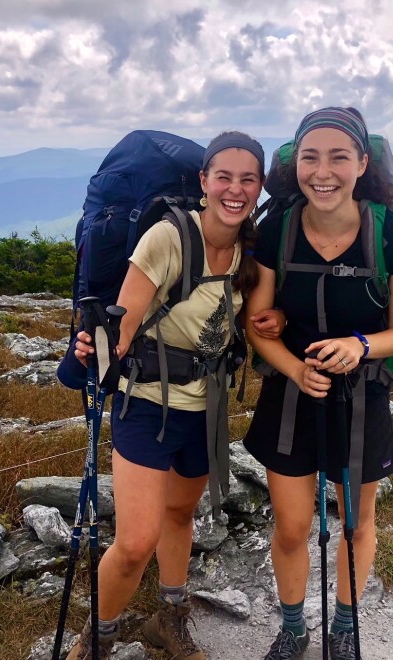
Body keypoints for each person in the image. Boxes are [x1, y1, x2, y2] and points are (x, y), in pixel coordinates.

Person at [61, 132, 270, 660]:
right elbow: (124, 327)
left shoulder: (253, 250)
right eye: (224, 176)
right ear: (204, 181)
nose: (235, 189)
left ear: (260, 186)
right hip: (147, 405)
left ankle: (168, 620)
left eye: (248, 179)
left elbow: (256, 322)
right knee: (134, 542)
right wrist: (99, 345)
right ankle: (98, 639)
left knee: (181, 516)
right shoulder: (167, 237)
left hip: (208, 408)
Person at [243, 107, 393, 660]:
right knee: (293, 526)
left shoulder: (391, 230)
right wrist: (293, 365)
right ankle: (294, 627)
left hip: (360, 396)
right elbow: (258, 323)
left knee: (355, 524)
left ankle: (344, 627)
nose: (323, 171)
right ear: (295, 165)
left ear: (362, 163)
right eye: (310, 158)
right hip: (289, 395)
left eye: (338, 157)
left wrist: (360, 346)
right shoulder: (279, 227)